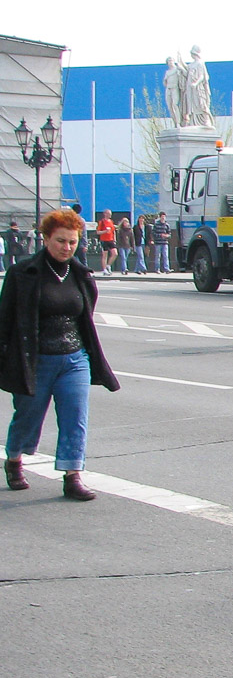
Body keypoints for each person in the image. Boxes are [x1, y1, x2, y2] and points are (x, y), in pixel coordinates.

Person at [2, 209, 121, 500]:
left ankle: (72, 475)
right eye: (60, 241)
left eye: (72, 242)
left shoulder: (80, 273)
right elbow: (5, 320)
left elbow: (85, 314)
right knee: (28, 416)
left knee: (75, 416)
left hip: (74, 358)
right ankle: (15, 458)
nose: (66, 247)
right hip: (37, 359)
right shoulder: (24, 273)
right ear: (45, 238)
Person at [96, 210, 117, 275]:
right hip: (104, 240)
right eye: (108, 214)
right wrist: (105, 231)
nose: (110, 215)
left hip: (110, 240)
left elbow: (113, 231)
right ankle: (104, 269)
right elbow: (98, 232)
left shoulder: (111, 222)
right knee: (105, 255)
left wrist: (114, 239)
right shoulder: (101, 222)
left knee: (115, 253)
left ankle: (108, 265)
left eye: (110, 214)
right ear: (105, 214)